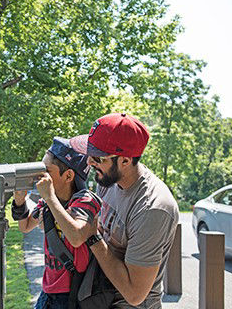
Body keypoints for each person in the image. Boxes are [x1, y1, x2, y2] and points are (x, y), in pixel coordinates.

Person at [69, 113, 179, 308]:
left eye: (97, 158)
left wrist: (93, 237)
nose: (89, 163)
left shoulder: (152, 209)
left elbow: (135, 294)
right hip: (101, 297)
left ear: (125, 161)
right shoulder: (108, 179)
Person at [11, 137, 101, 309]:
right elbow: (25, 226)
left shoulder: (85, 201)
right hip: (48, 290)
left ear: (68, 175)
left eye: (47, 171)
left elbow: (76, 236)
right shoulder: (48, 202)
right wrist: (19, 202)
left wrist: (50, 197)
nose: (41, 177)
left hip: (73, 293)